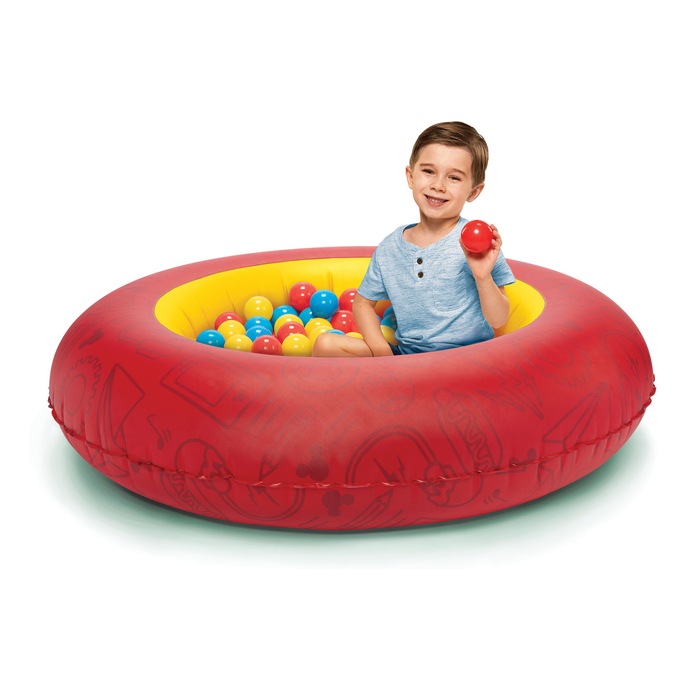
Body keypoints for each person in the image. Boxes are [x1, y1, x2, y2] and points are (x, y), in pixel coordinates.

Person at [313, 121, 515, 357]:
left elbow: (499, 319)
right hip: (410, 361)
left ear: (474, 191)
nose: (438, 185)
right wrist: (383, 355)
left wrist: (483, 277)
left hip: (467, 359)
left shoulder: (478, 244)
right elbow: (361, 304)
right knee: (326, 344)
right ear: (410, 176)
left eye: (454, 177)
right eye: (429, 171)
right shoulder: (390, 248)